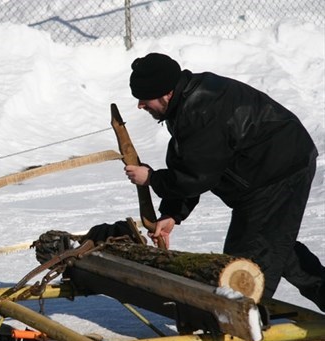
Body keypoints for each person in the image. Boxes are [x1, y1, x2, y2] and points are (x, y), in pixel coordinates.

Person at [121, 52, 324, 311]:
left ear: (165, 93)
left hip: (279, 170)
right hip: (260, 176)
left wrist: (151, 178)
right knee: (273, 245)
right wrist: (172, 213)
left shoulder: (202, 109)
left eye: (144, 98)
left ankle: (242, 322)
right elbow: (188, 162)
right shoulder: (185, 104)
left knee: (248, 259)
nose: (140, 105)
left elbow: (197, 175)